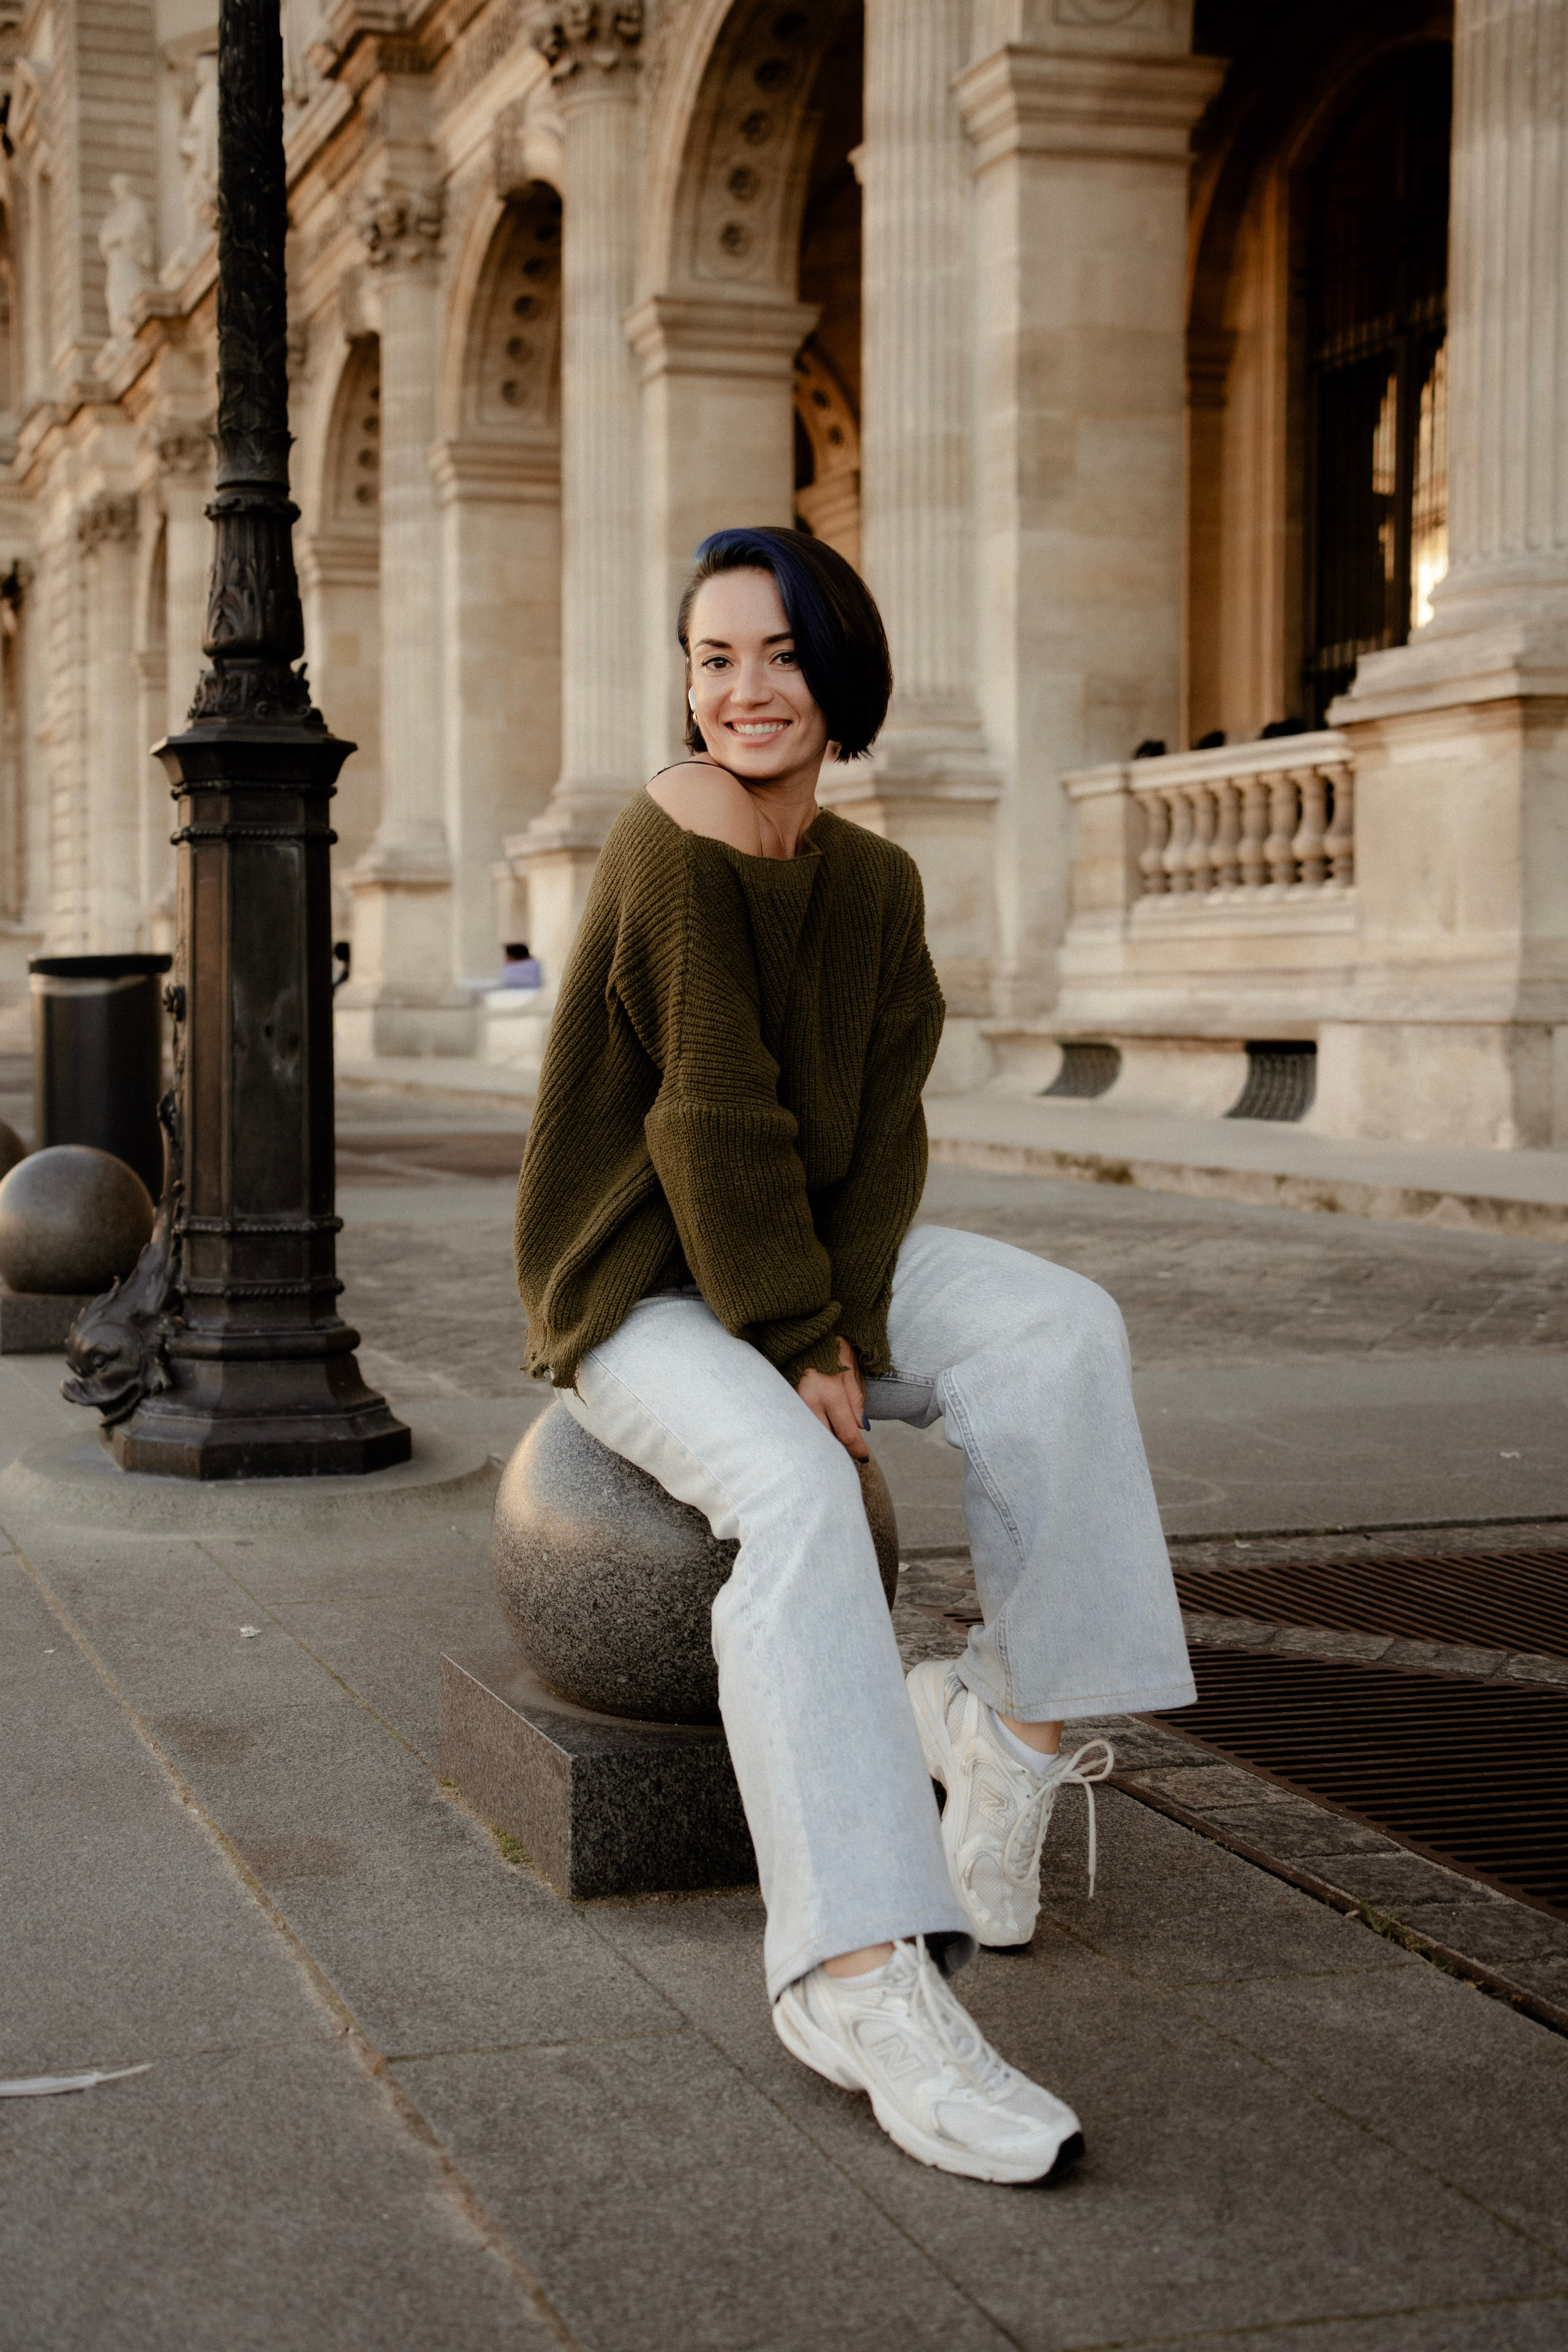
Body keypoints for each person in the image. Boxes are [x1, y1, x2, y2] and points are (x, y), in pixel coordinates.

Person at [514, 526, 1196, 2186]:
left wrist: (847, 1317)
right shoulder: (671, 836)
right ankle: (854, 1974)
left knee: (1059, 1331)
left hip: (810, 1260)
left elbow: (881, 1131)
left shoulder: (877, 884)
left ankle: (1011, 1734)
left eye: (778, 654)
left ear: (840, 666)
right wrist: (807, 1352)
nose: (741, 691)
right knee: (806, 1503)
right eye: (711, 658)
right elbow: (709, 1113)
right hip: (642, 1285)